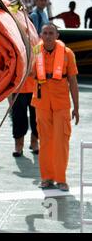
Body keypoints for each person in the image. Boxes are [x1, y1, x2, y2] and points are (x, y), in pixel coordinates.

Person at [31, 23, 79, 192]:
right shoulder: (35, 52)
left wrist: (76, 107)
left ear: (57, 35)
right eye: (45, 33)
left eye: (51, 33)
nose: (48, 36)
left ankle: (61, 179)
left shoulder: (67, 54)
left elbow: (73, 81)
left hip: (61, 104)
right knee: (45, 142)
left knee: (61, 142)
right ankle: (46, 178)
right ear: (40, 35)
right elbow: (28, 73)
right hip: (42, 103)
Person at [9, 76, 39, 157]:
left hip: (36, 86)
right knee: (18, 118)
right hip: (18, 88)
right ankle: (18, 145)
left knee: (37, 117)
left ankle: (34, 142)